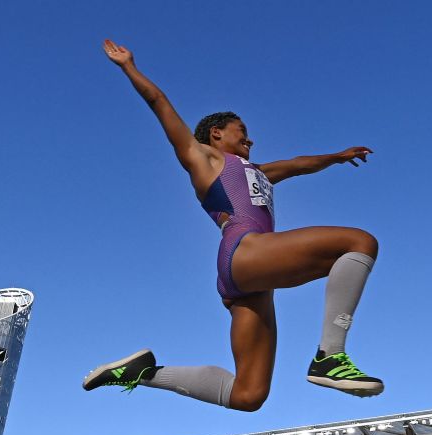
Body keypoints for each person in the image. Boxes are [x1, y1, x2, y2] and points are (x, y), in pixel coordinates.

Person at [83, 39, 383, 409]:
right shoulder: (203, 158)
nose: (250, 137)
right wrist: (129, 66)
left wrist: (336, 157)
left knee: (248, 395)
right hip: (244, 251)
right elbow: (159, 103)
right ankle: (330, 356)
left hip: (250, 282)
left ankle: (141, 374)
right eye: (241, 130)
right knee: (358, 242)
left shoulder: (257, 171)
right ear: (216, 134)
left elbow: (299, 163)